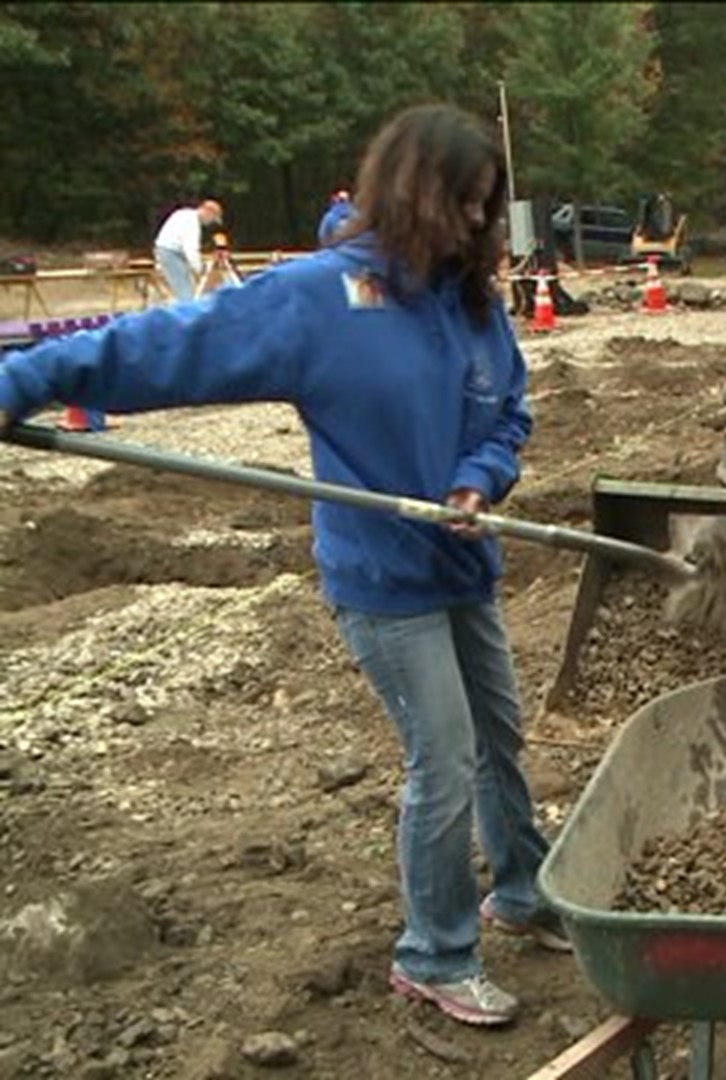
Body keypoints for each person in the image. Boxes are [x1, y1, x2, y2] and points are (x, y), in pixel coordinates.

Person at [0, 103, 567, 1028]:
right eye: (462, 201)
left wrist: (477, 481)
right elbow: (167, 346)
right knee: (447, 758)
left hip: (463, 564)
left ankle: (523, 893)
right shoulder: (322, 299)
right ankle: (434, 953)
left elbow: (509, 413)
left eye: (486, 206)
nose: (475, 222)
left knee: (500, 739)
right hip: (383, 580)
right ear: (415, 192)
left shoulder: (473, 305)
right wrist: (24, 382)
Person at [152, 199, 223, 302]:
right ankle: (187, 314)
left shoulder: (184, 214)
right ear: (209, 213)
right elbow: (190, 249)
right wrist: (199, 268)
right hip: (170, 254)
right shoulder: (192, 223)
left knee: (185, 287)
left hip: (167, 252)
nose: (211, 223)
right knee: (184, 293)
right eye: (213, 219)